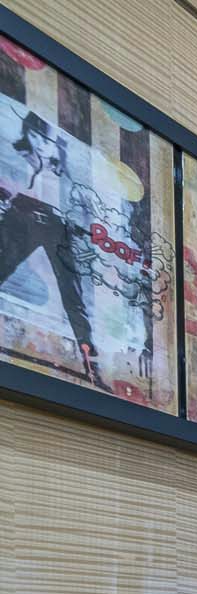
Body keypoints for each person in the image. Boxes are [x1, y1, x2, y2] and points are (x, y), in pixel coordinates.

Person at [0, 110, 103, 387]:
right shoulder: (13, 156)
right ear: (33, 136)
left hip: (57, 225)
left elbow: (78, 205)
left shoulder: (60, 166)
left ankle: (90, 361)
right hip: (21, 217)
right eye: (47, 140)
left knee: (73, 295)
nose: (52, 146)